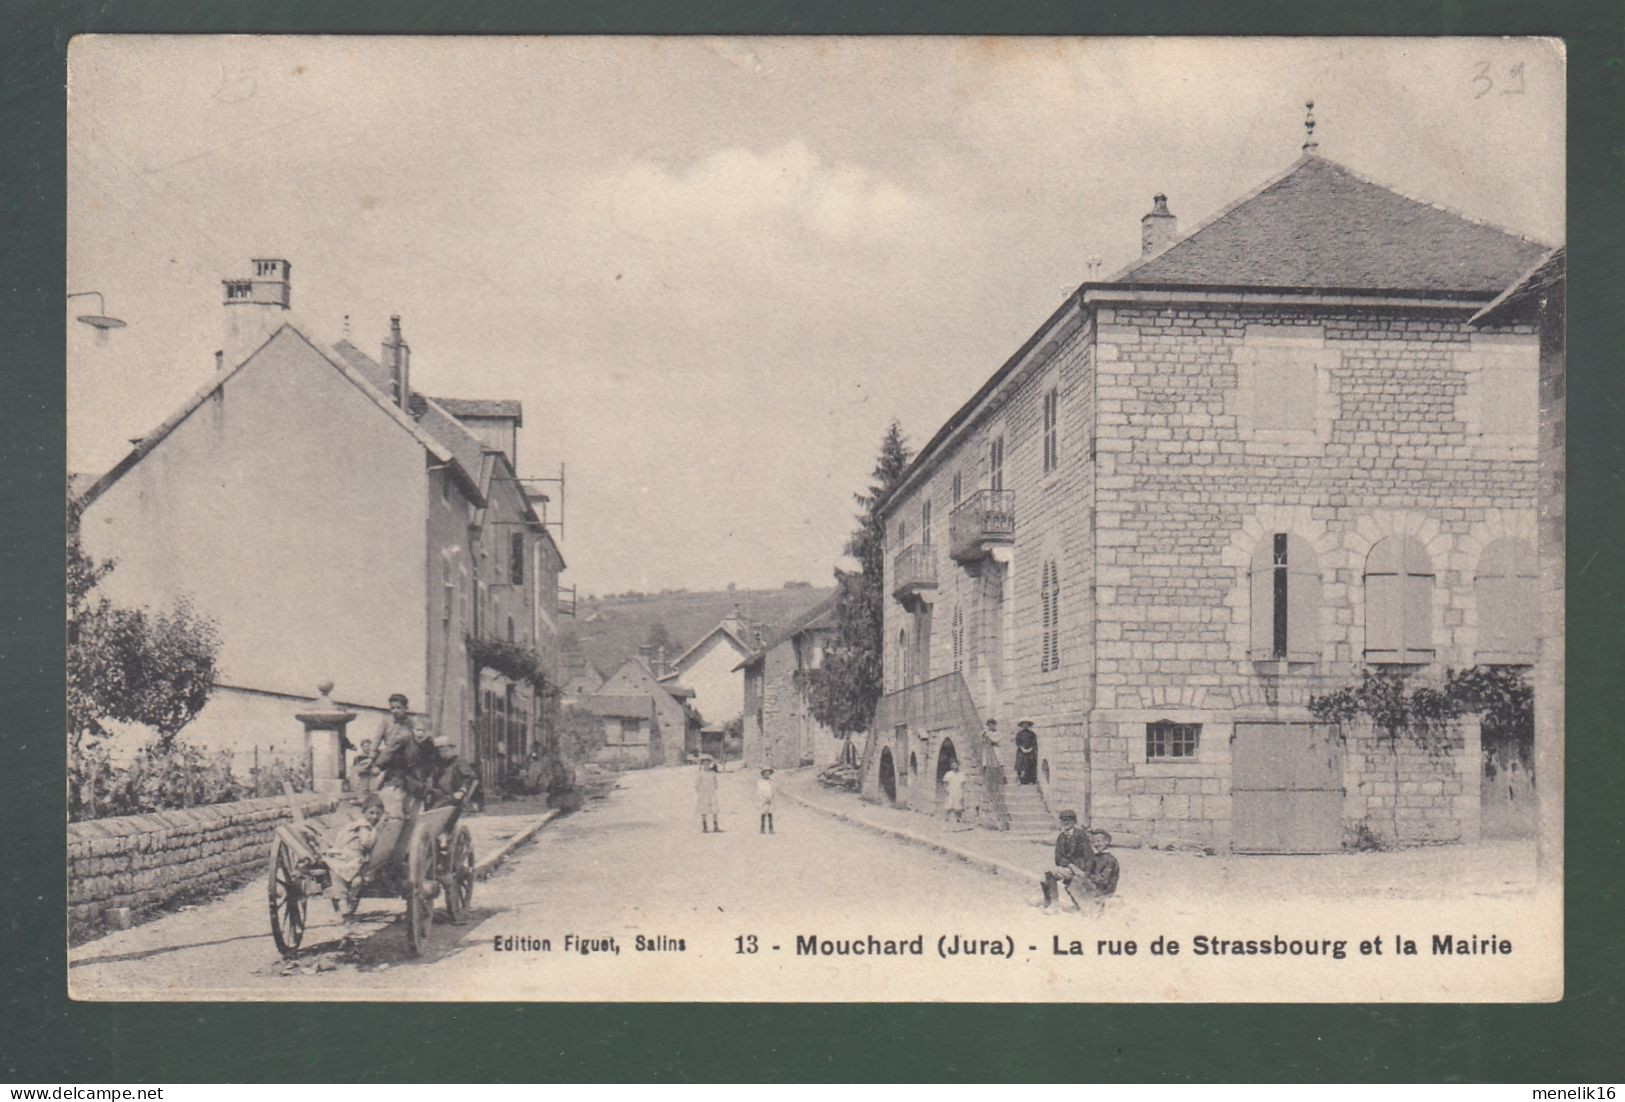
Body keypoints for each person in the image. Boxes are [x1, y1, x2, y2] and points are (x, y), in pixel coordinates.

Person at [323, 794, 385, 927]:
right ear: (364, 813)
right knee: (352, 878)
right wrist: (375, 832)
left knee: (339, 875)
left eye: (378, 814)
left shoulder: (357, 825)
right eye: (371, 813)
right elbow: (367, 843)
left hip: (343, 854)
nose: (374, 817)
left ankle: (343, 904)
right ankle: (346, 904)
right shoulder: (365, 827)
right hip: (352, 856)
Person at [1041, 809, 1092, 912]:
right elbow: (1058, 856)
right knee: (1045, 876)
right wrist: (1068, 865)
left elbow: (1088, 855)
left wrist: (1083, 870)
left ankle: (1054, 903)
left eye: (1069, 820)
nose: (1066, 822)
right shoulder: (1061, 836)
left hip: (1079, 867)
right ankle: (1052, 902)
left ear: (1074, 822)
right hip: (1068, 867)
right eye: (1063, 820)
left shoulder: (1080, 835)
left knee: (1079, 900)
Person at [425, 735, 478, 809]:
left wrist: (461, 791)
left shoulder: (460, 762)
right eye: (440, 751)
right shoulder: (438, 764)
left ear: (452, 749)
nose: (443, 753)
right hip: (440, 796)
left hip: (454, 797)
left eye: (446, 750)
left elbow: (468, 779)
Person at [1077, 829, 1120, 909]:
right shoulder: (1096, 857)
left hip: (1105, 891)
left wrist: (1087, 876)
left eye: (1099, 841)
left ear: (1107, 841)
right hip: (1095, 887)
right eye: (1093, 842)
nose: (1096, 844)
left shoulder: (1110, 860)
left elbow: (1104, 880)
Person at [696, 758, 721, 833]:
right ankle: (705, 827)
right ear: (702, 765)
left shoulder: (712, 773)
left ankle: (716, 826)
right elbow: (697, 784)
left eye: (707, 763)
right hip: (703, 793)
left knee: (714, 809)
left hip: (712, 792)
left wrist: (714, 788)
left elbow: (715, 782)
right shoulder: (700, 773)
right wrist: (701, 791)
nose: (706, 765)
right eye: (704, 764)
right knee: (704, 809)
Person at [1014, 720, 1039, 786]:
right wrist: (1022, 749)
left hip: (1030, 751)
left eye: (1026, 724)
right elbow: (1018, 742)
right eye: (1024, 724)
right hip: (1021, 751)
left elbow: (1034, 743)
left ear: (1028, 725)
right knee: (1019, 765)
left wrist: (1030, 749)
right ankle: (1019, 780)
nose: (1025, 725)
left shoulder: (1032, 734)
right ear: (1022, 725)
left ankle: (1031, 780)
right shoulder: (1019, 734)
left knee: (1031, 764)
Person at [942, 760, 965, 826]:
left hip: (958, 792)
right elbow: (945, 782)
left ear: (958, 765)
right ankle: (946, 821)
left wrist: (963, 793)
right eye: (953, 765)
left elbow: (963, 784)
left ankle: (957, 822)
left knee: (958, 808)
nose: (955, 766)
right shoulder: (948, 773)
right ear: (951, 766)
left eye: (956, 765)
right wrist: (946, 789)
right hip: (950, 791)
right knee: (948, 807)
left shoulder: (961, 774)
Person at [757, 768, 776, 834]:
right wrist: (764, 798)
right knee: (763, 813)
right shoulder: (760, 781)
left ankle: (771, 829)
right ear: (763, 774)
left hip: (770, 799)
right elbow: (760, 790)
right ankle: (762, 829)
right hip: (763, 799)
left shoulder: (771, 781)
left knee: (770, 813)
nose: (767, 774)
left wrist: (770, 797)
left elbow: (773, 789)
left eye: (768, 773)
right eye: (765, 773)